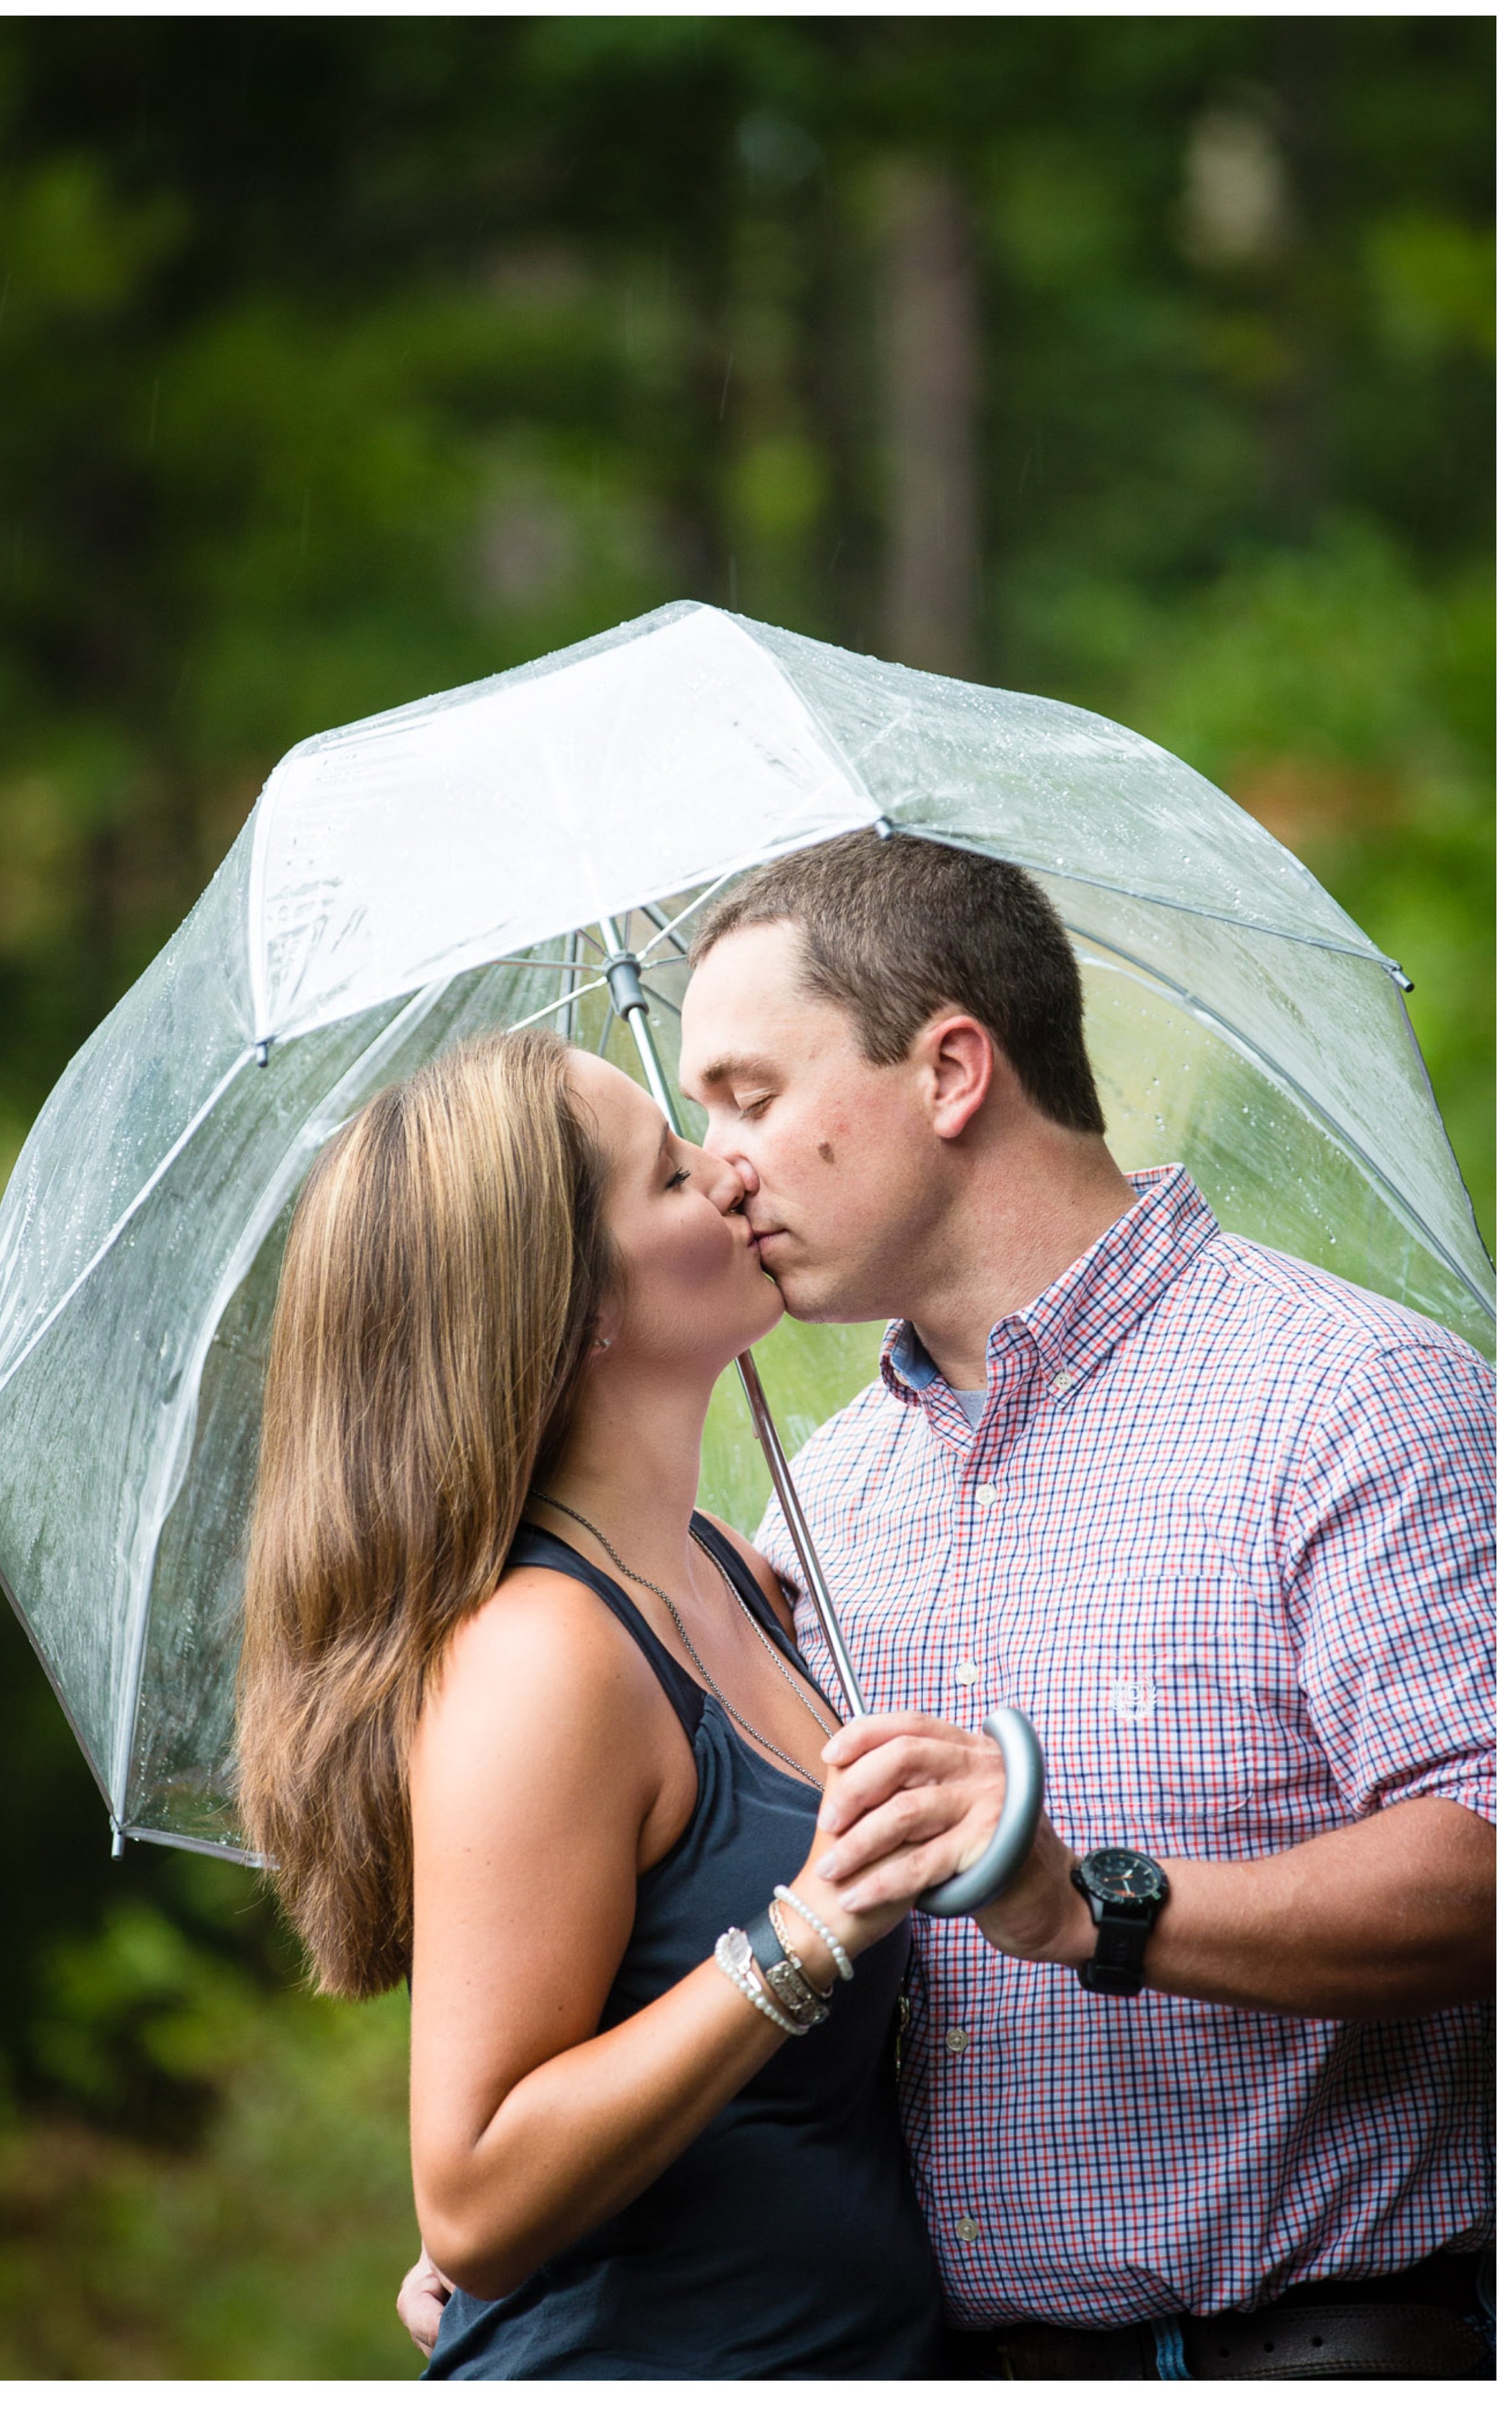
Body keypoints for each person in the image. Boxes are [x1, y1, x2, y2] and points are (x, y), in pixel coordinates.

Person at [391, 833, 1494, 2381]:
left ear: (952, 1070)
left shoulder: (1347, 1396)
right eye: (694, 1122)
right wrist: (564, 2209)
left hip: (1303, 2358)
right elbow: (697, 1931)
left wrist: (1098, 1906)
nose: (720, 1164)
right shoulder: (818, 1507)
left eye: (750, 1097)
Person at [239, 1026, 957, 2380]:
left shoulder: (725, 1569)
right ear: (577, 1308)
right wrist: (803, 1935)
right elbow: (474, 2202)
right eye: (672, 1173)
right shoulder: (545, 1657)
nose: (733, 1171)